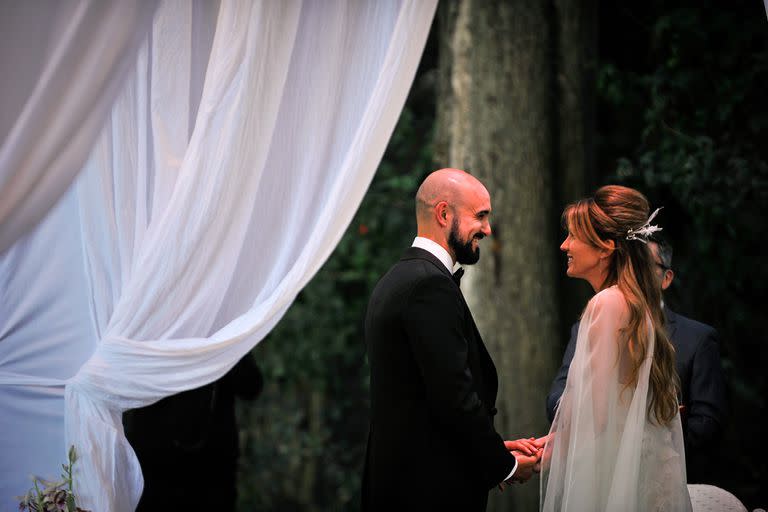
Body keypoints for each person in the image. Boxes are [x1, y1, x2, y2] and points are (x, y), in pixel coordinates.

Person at [361, 168, 540, 511]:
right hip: (427, 492)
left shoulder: (398, 278)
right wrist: (506, 465)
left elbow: (420, 403)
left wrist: (492, 447)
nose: (487, 229)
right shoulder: (428, 286)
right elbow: (453, 397)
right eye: (480, 216)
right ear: (444, 214)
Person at [539, 185, 691, 511]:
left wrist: (547, 453)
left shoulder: (607, 304)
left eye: (573, 236)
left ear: (606, 247)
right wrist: (551, 444)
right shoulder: (636, 304)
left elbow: (598, 418)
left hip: (616, 482)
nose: (565, 245)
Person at [546, 235, 727, 484]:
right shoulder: (588, 326)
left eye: (644, 265)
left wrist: (645, 447)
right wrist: (582, 417)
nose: (635, 273)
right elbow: (557, 396)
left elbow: (707, 425)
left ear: (666, 278)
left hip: (669, 478)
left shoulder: (698, 338)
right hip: (601, 476)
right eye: (630, 264)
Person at [124, 353, 263, 511]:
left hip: (212, 467)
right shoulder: (150, 335)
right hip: (157, 464)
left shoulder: (223, 333)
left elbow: (252, 386)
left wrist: (224, 350)